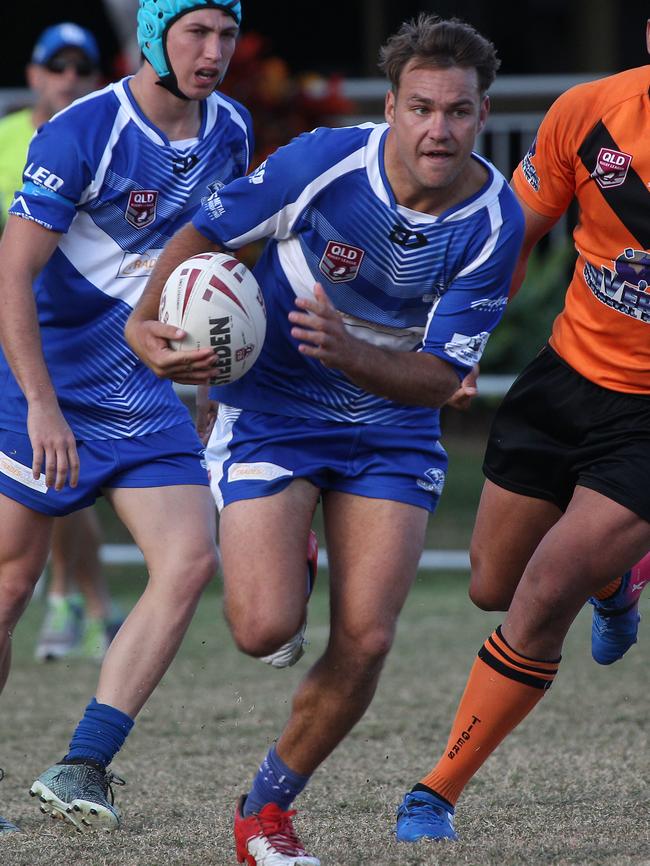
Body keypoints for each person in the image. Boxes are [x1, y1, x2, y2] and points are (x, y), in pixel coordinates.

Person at [126, 14, 524, 863]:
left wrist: (353, 351)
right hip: (274, 403)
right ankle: (290, 549)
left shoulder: (495, 220)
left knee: (369, 637)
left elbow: (442, 379)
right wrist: (144, 319)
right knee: (262, 629)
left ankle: (265, 811)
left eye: (457, 112)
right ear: (392, 107)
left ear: (482, 113)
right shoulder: (323, 161)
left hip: (391, 424)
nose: (439, 130)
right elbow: (205, 233)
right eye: (421, 108)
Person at [395, 17, 650, 844]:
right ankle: (618, 580)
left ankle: (435, 791)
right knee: (492, 586)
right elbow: (514, 235)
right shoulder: (591, 113)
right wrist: (459, 345)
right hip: (564, 381)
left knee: (541, 598)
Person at [0, 0, 251, 835]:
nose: (213, 51)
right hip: (45, 380)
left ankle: (83, 764)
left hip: (138, 389)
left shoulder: (231, 130)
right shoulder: (84, 132)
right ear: (153, 37)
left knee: (188, 560)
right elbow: (12, 274)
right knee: (9, 588)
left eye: (225, 33)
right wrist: (40, 404)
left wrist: (220, 380)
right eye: (195, 33)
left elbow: (218, 258)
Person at [0, 22, 126, 663]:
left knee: (55, 472)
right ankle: (89, 604)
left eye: (81, 70)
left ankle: (75, 604)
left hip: (76, 340)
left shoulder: (104, 139)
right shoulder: (4, 142)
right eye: (57, 69)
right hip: (14, 330)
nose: (68, 80)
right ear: (33, 75)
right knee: (52, 476)